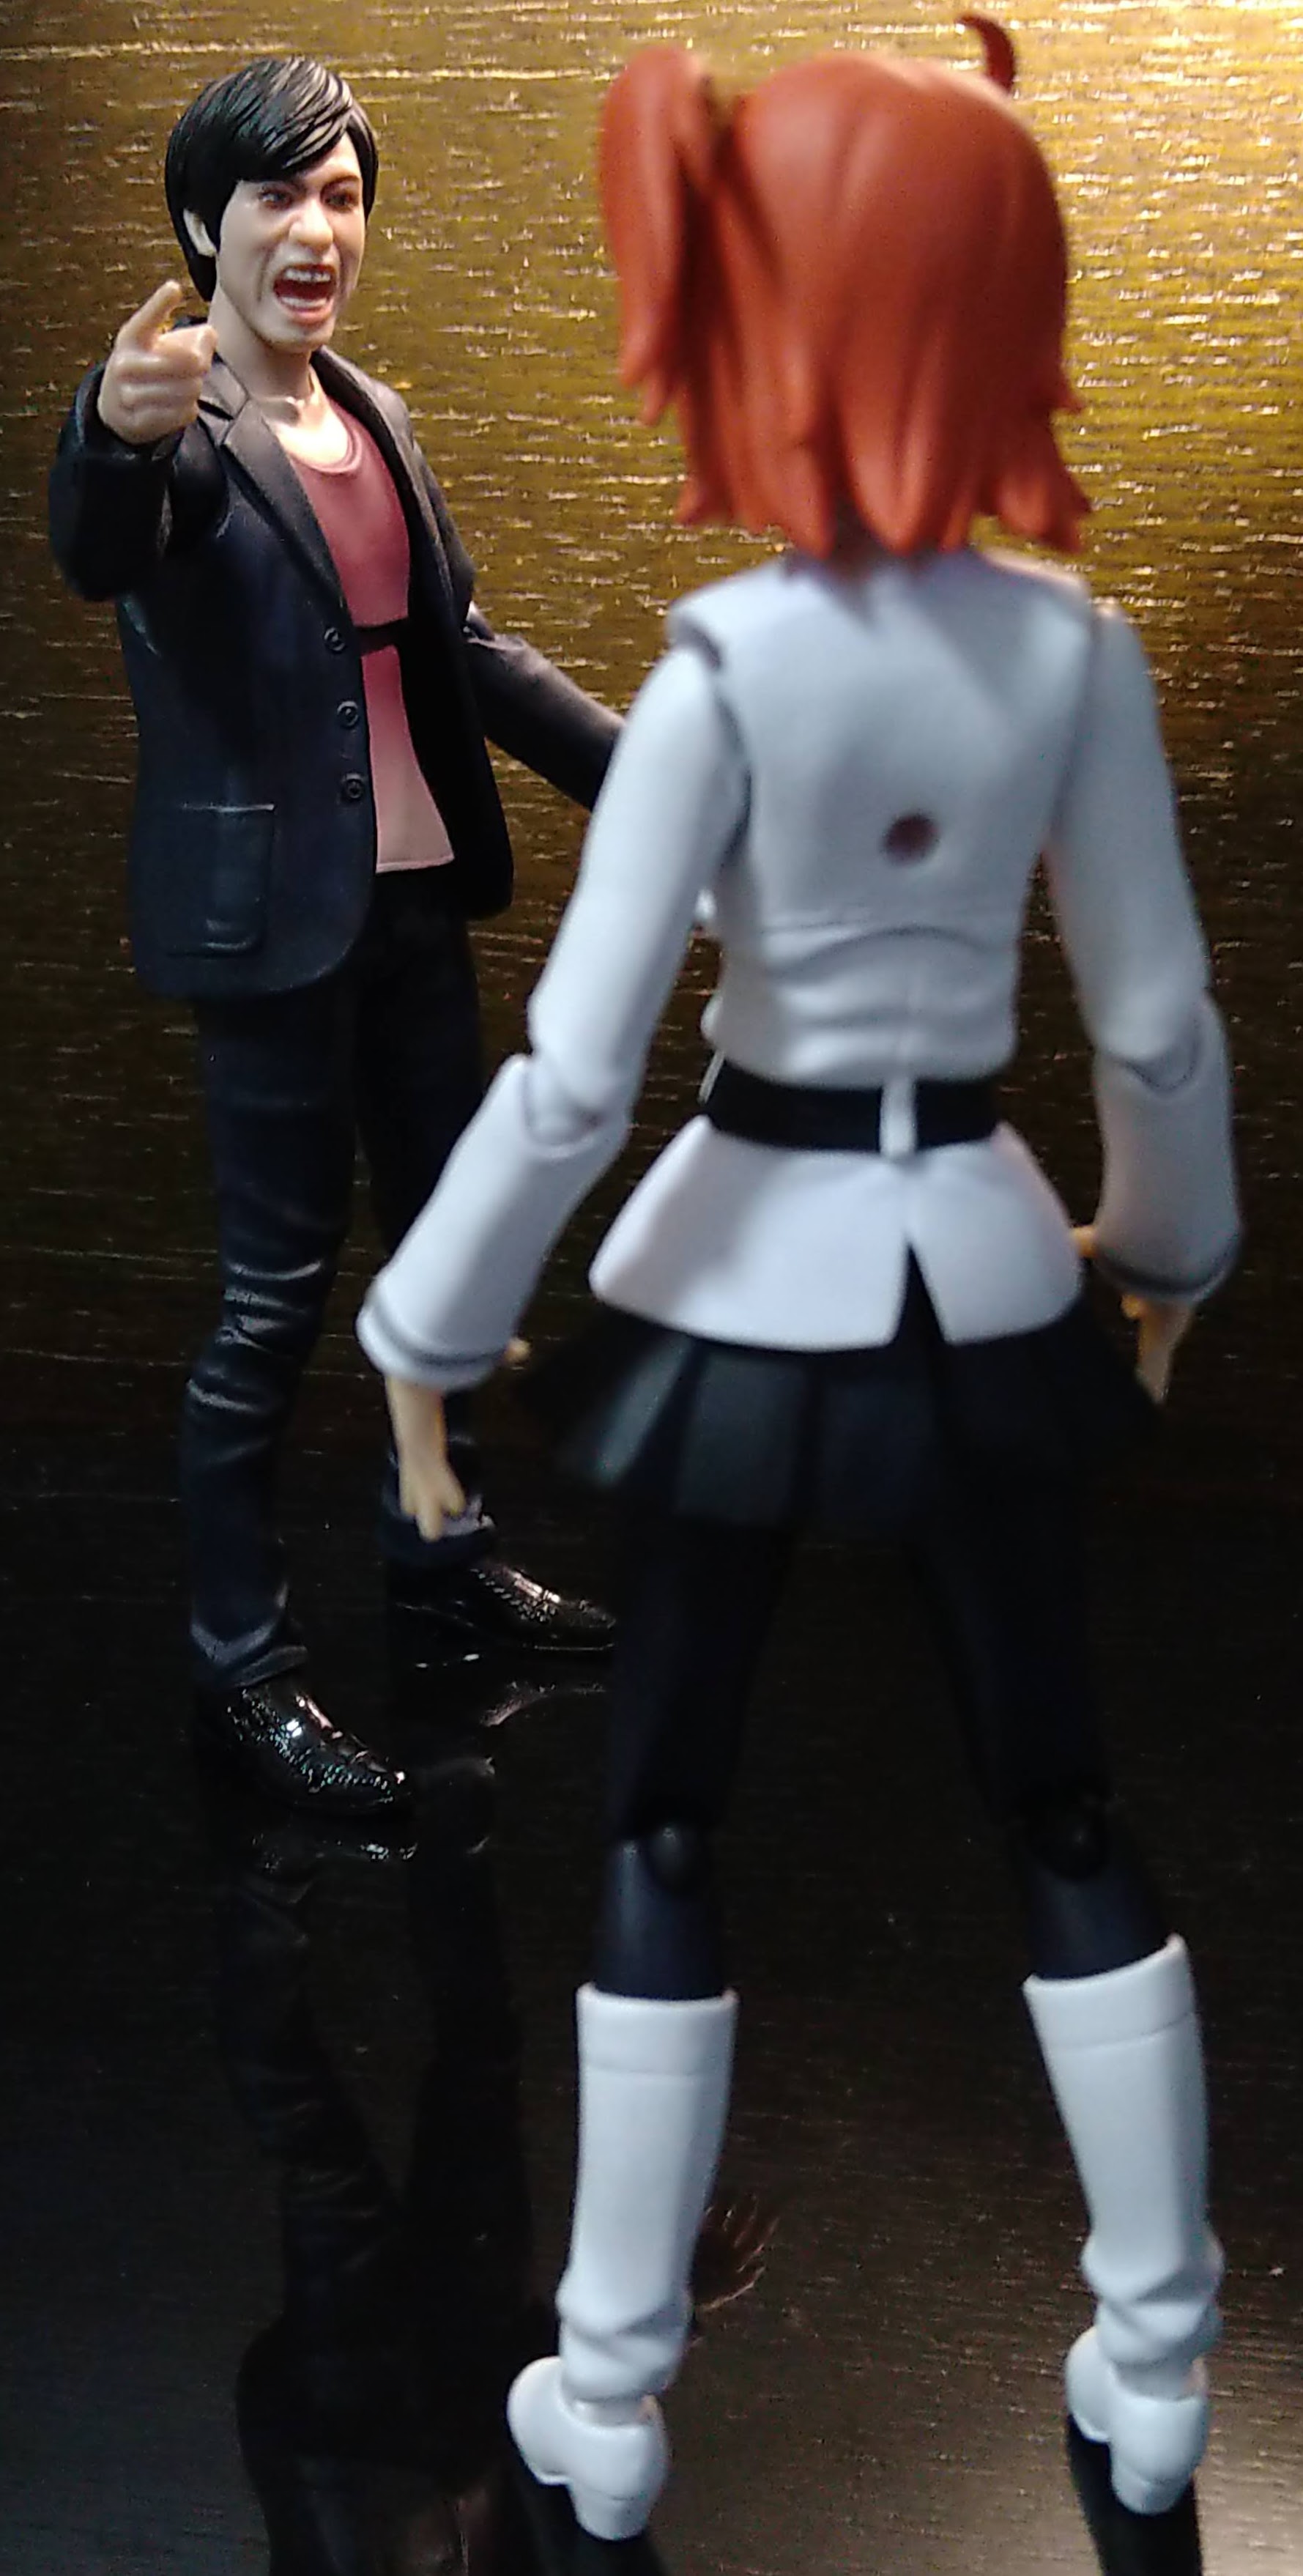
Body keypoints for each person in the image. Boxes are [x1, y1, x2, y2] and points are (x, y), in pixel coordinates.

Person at [356, 28, 1239, 2539]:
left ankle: (612, 2388)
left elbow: (570, 1070)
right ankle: (1161, 2356)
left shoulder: (729, 667)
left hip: (747, 1271)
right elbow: (1156, 1024)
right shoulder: (1071, 653)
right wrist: (1166, 1252)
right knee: (1061, 1789)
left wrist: (426, 1339)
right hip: (979, 1267)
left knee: (660, 1811)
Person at [49, 55, 621, 1819]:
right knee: (271, 1306)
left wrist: (665, 772)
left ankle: (439, 1564)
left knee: (445, 1262)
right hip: (271, 931)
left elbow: (464, 645)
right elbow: (105, 541)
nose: (315, 230)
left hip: (412, 899)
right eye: (278, 195)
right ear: (199, 221)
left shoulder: (371, 414)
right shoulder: (179, 417)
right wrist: (111, 428)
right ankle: (243, 1672)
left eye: (343, 194)